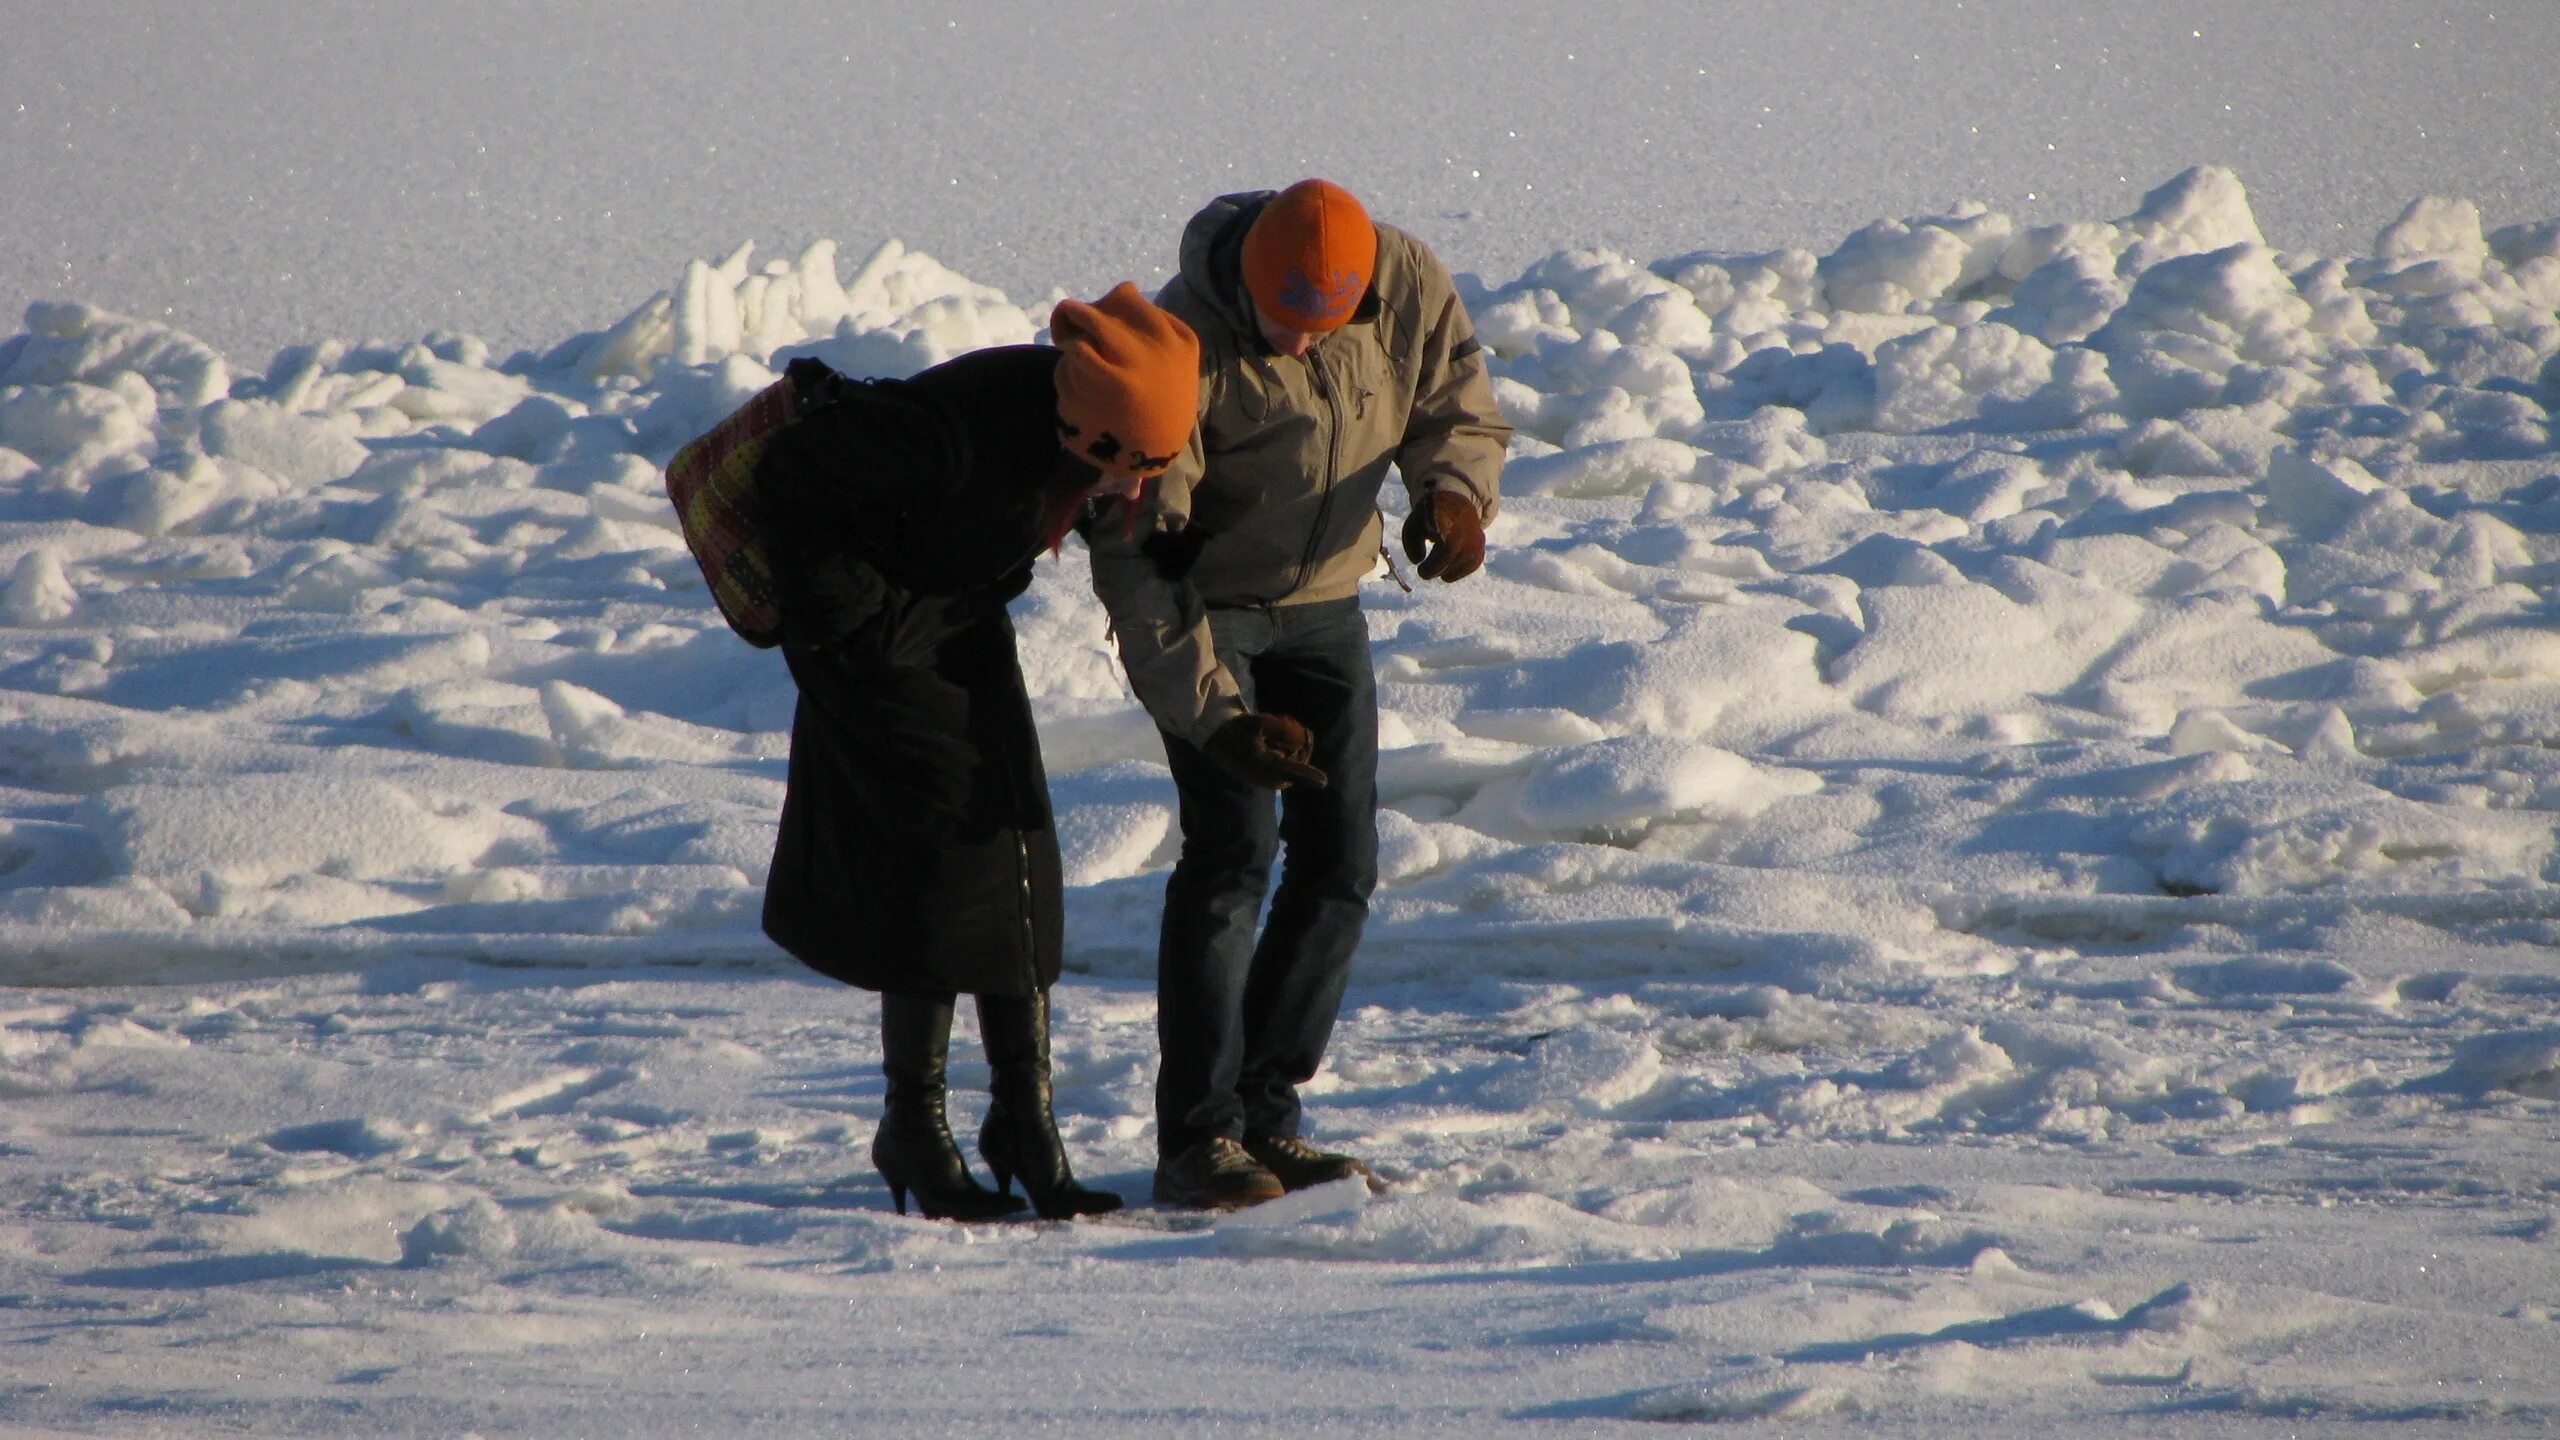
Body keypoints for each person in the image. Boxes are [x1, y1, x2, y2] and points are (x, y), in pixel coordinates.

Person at [1086, 180, 1511, 1209]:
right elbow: (1140, 565)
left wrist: (1452, 493)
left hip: (1324, 608)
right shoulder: (1177, 347)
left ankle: (1266, 1119)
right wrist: (1218, 720)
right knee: (1233, 858)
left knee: (1340, 864)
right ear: (1245, 284)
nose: (1304, 345)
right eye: (1284, 327)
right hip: (1210, 616)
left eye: (1326, 327)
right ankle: (1196, 1140)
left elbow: (1452, 400)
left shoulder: (1399, 279)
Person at [757, 284, 1200, 1221]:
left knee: (1017, 841)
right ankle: (912, 1124)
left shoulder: (1084, 424)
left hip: (954, 613)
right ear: (1088, 430)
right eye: (1127, 467)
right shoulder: (950, 433)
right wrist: (851, 623)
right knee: (941, 853)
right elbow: (789, 477)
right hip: (872, 634)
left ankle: (1024, 1125)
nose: (1131, 488)